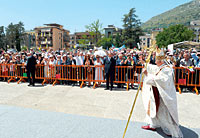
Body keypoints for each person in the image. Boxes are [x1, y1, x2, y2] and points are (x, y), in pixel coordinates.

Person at [141, 49, 183, 137]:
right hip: (156, 93)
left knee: (164, 113)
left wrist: (147, 74)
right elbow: (154, 68)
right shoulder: (161, 67)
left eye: (156, 60)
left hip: (164, 97)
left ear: (160, 61)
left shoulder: (166, 70)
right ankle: (153, 124)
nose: (155, 61)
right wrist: (145, 63)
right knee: (153, 108)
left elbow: (159, 81)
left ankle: (171, 131)